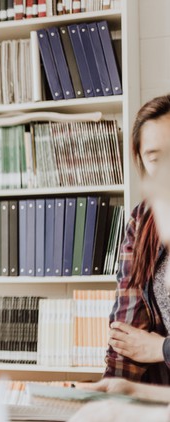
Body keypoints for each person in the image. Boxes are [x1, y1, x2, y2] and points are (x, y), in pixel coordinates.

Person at [105, 94, 170, 384]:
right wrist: (109, 392)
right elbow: (126, 332)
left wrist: (161, 348)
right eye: (156, 158)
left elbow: (149, 346)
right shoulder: (143, 220)